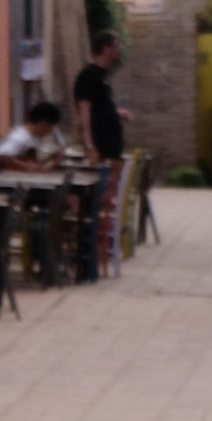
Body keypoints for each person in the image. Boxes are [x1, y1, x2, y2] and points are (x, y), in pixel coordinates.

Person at [74, 31, 127, 280]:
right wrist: (89, 142)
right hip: (101, 148)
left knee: (106, 199)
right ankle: (93, 253)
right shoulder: (89, 76)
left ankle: (101, 251)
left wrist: (118, 113)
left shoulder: (102, 77)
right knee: (98, 199)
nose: (118, 49)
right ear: (105, 48)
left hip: (111, 147)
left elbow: (102, 108)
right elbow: (85, 111)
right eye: (115, 45)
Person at [0, 101, 68, 170]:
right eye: (50, 127)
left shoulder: (33, 137)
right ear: (42, 123)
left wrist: (53, 159)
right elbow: (2, 156)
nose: (50, 131)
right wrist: (25, 167)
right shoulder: (20, 137)